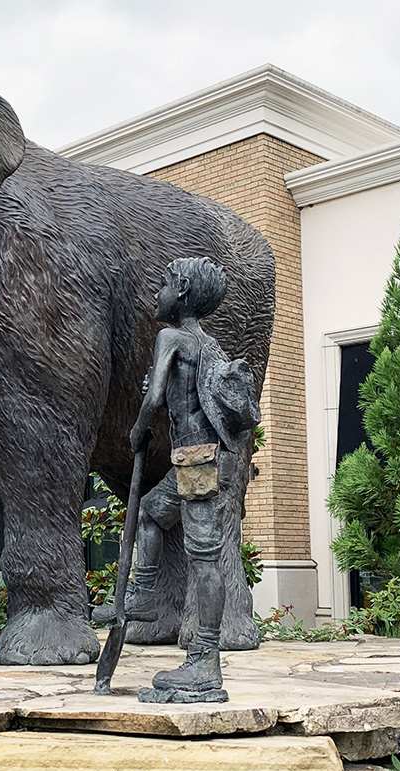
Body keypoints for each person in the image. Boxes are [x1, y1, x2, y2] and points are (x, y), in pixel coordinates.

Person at [122, 257, 260, 702]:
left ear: (181, 288)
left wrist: (139, 427)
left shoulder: (172, 337)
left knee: (204, 559)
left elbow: (158, 397)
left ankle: (205, 661)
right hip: (197, 460)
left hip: (198, 461)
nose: (157, 293)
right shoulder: (207, 345)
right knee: (150, 513)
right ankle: (143, 595)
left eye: (163, 283)